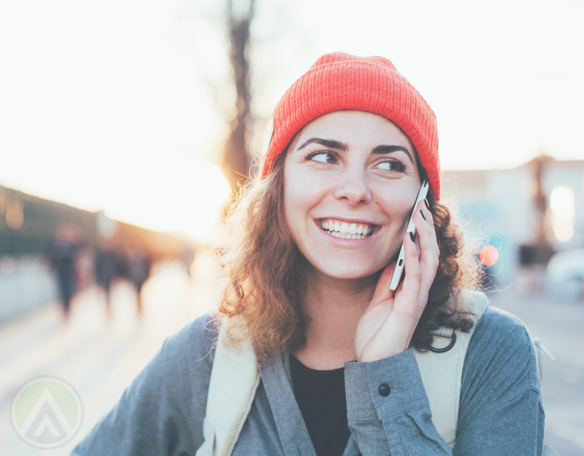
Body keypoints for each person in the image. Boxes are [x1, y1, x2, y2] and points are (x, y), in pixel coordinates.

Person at [72, 53, 544, 456]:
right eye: (324, 156)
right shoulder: (205, 354)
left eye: (389, 164)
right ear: (278, 188)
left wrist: (386, 376)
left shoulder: (493, 354)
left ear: (423, 205)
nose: (355, 190)